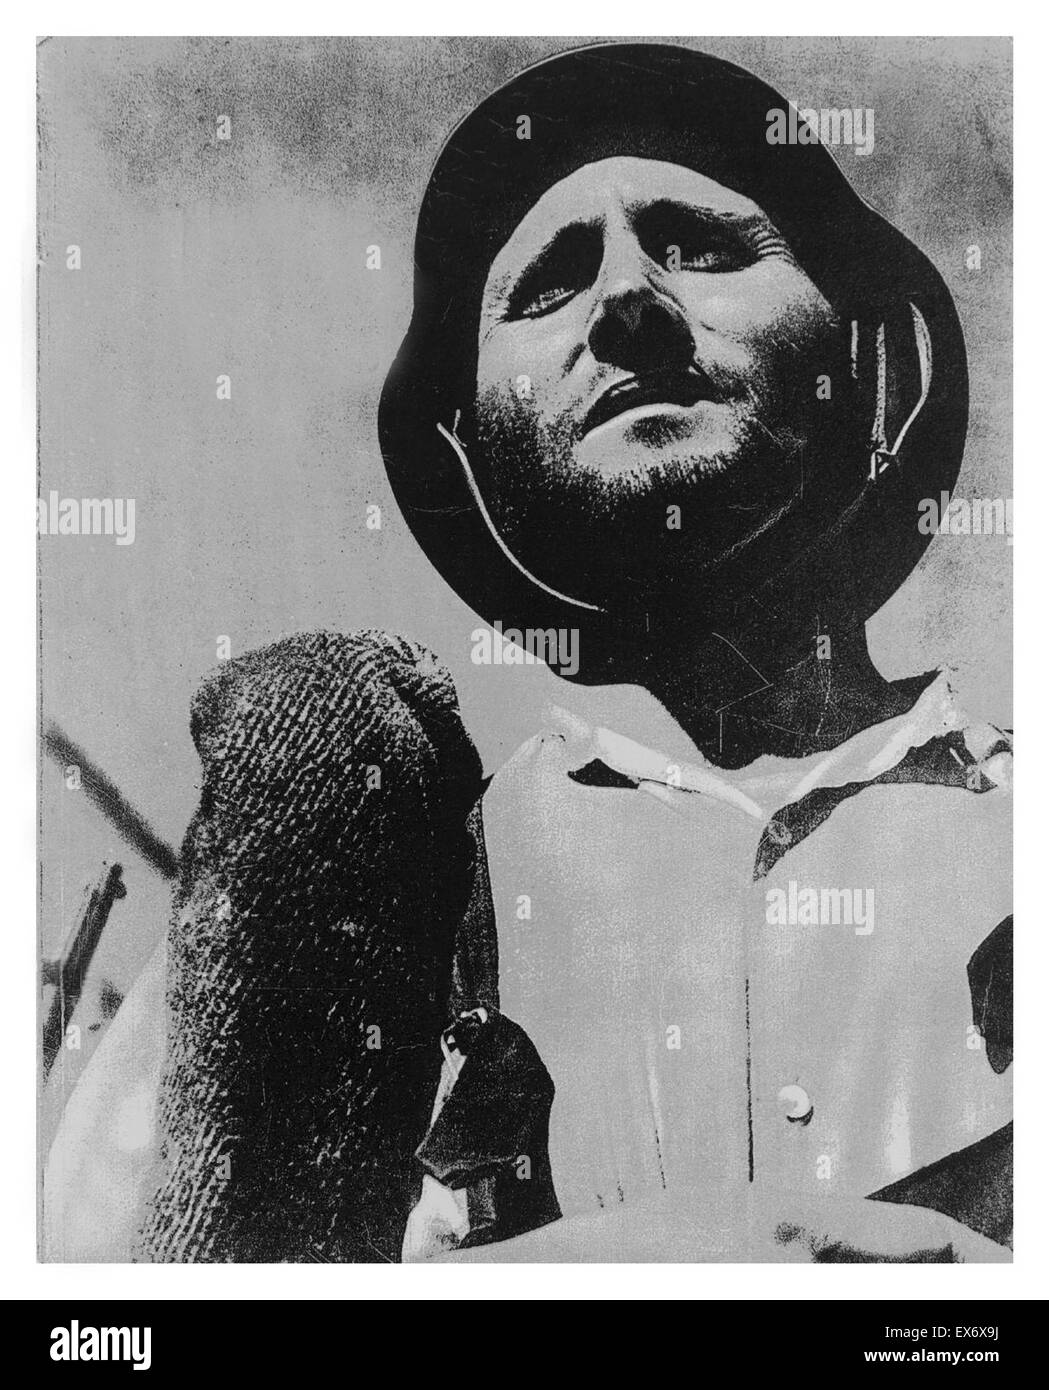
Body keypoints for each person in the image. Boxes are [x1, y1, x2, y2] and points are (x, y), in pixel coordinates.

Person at [43, 42, 1011, 1264]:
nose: (628, 304)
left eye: (704, 247)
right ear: (469, 446)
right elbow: (107, 1311)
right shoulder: (359, 894)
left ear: (863, 346)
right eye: (546, 286)